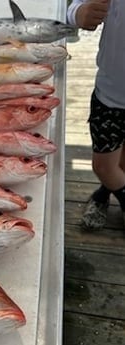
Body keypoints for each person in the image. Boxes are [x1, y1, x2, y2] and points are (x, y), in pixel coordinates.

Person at [67, 0, 125, 230]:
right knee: (104, 166)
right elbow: (72, 7)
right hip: (111, 95)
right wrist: (79, 13)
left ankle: (103, 194)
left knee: (121, 161)